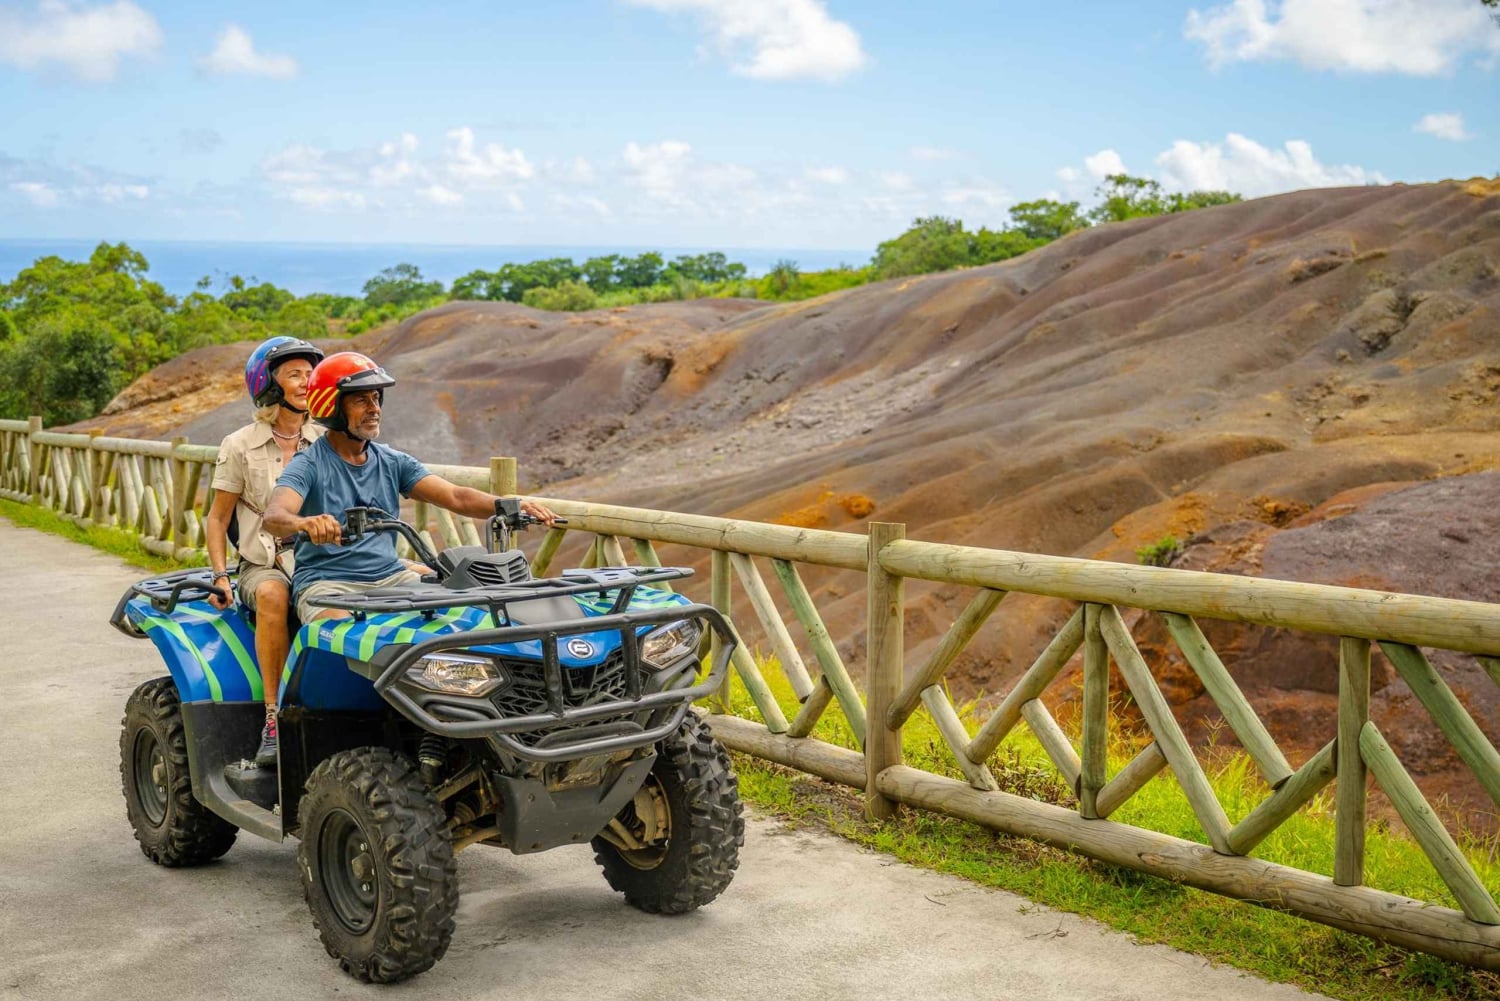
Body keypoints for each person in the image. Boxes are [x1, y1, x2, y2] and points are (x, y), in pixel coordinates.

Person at [262, 351, 559, 632]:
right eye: (361, 401)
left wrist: (510, 505)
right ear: (332, 406)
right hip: (329, 585)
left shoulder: (392, 461)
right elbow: (274, 516)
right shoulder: (309, 463)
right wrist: (305, 523)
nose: (374, 409)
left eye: (376, 398)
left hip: (393, 578)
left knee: (454, 624)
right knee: (342, 634)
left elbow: (456, 497)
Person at [205, 335, 325, 768]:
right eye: (294, 374)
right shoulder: (239, 445)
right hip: (264, 563)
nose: (306, 382)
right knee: (274, 595)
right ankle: (273, 718)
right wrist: (221, 577)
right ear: (269, 387)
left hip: (320, 561)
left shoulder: (325, 439)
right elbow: (218, 519)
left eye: (310, 374)